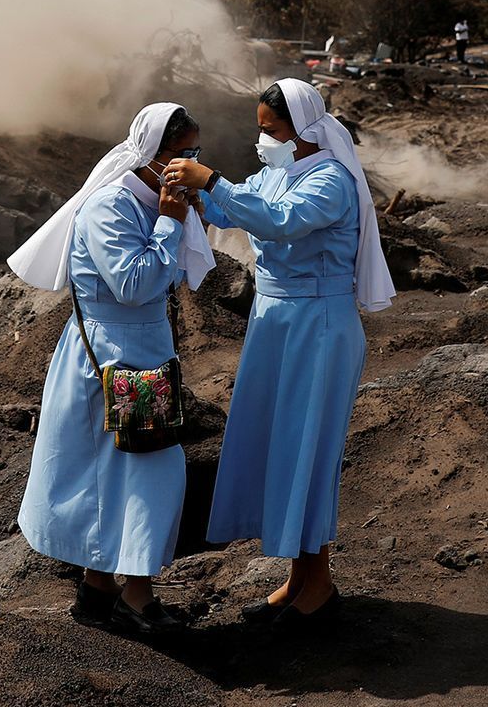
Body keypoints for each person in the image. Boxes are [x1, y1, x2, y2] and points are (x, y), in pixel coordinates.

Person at [163, 79, 392, 626]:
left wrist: (212, 180)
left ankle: (320, 583)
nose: (261, 139)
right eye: (260, 129)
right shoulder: (274, 173)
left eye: (270, 130)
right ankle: (298, 576)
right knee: (279, 447)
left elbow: (280, 223)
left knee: (308, 447)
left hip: (318, 322)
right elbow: (235, 213)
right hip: (275, 321)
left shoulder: (331, 180)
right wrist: (200, 195)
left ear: (304, 129)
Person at [11, 103, 216, 637]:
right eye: (183, 153)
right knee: (146, 471)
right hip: (113, 360)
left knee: (126, 470)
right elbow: (136, 285)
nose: (191, 164)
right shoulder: (112, 207)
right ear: (152, 155)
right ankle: (136, 597)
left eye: (197, 152)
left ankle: (99, 588)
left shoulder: (152, 199)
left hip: (141, 355)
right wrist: (171, 222)